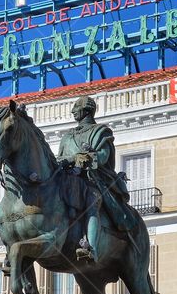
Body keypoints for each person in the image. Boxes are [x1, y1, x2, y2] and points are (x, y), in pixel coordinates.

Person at [57, 96, 135, 262]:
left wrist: (87, 158)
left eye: (76, 107)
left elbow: (103, 156)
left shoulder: (100, 132)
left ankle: (90, 248)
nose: (73, 111)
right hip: (68, 180)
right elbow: (60, 159)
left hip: (91, 179)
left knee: (92, 202)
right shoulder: (66, 137)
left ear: (86, 110)